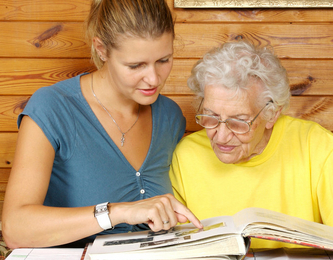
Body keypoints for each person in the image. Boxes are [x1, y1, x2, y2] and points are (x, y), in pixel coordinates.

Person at [169, 40, 333, 259]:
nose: (220, 135)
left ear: (271, 114)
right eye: (210, 118)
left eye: (238, 122)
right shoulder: (186, 154)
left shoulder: (314, 146)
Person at [2, 0, 201, 249]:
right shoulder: (53, 107)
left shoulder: (170, 116)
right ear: (102, 49)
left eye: (164, 60)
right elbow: (15, 229)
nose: (153, 79)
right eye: (135, 65)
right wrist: (117, 212)